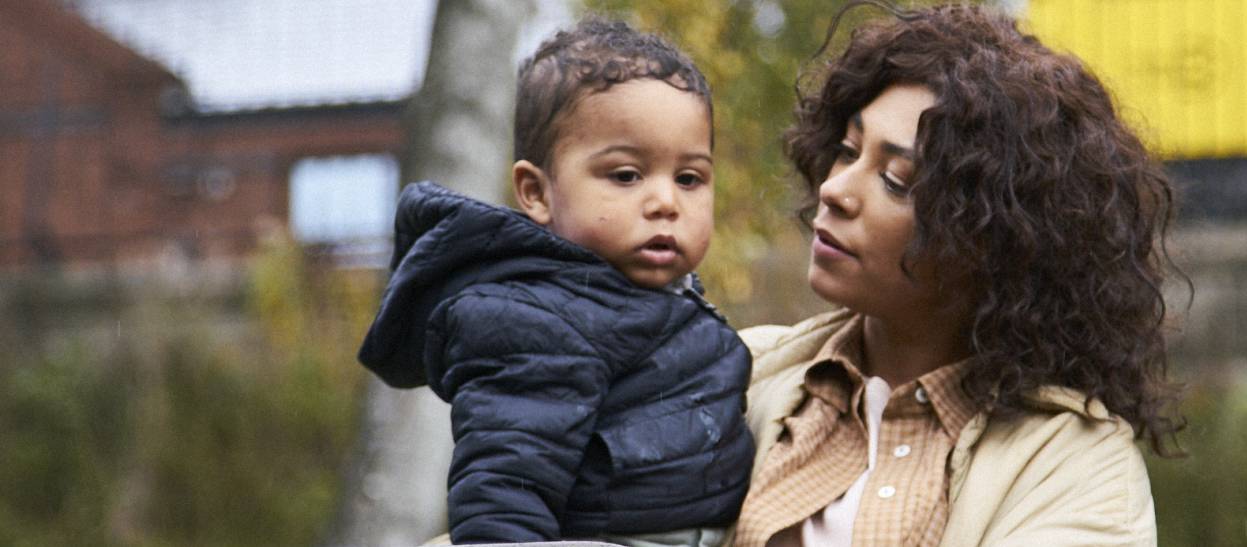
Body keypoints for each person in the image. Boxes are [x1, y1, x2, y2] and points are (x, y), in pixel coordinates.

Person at [730, 4, 1183, 546]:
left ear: (994, 238)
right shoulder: (734, 375)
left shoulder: (1075, 470)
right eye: (847, 152)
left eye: (896, 181)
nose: (835, 190)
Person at [357, 18, 753, 546]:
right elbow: (504, 492)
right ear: (537, 193)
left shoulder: (651, 299)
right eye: (626, 175)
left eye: (689, 178)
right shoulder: (537, 321)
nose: (665, 202)